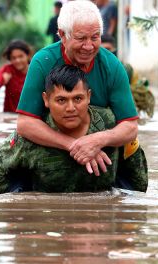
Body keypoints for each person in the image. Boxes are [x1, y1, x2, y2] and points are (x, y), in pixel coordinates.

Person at [16, 0, 139, 180]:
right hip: (51, 146)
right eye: (81, 38)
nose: (89, 46)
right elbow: (25, 123)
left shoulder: (112, 65)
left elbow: (130, 126)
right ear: (62, 35)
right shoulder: (43, 61)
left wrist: (97, 141)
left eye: (95, 37)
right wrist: (74, 145)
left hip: (101, 152)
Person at [0, 65, 148, 193]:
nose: (70, 108)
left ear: (88, 96)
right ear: (46, 100)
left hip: (100, 222)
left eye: (78, 99)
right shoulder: (32, 135)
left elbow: (137, 179)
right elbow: (0, 167)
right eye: (61, 100)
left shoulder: (112, 125)